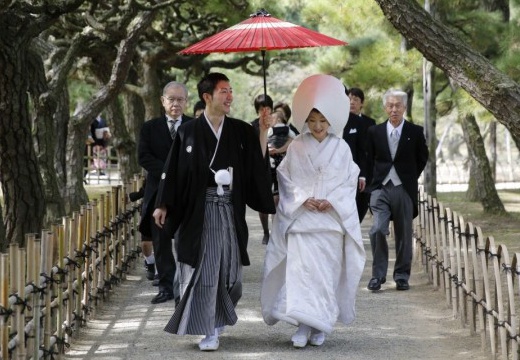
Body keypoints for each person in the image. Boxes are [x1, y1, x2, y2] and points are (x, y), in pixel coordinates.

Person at [152, 72, 275, 351]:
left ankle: (219, 315)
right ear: (207, 97)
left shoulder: (242, 130)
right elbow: (172, 172)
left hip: (230, 210)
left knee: (230, 270)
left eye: (231, 91)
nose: (230, 96)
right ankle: (208, 328)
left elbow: (254, 164)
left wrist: (264, 131)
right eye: (223, 91)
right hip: (200, 211)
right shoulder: (188, 131)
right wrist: (162, 204)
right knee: (205, 268)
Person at [261, 74, 366, 349]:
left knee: (324, 277)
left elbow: (349, 180)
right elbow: (285, 178)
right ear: (305, 121)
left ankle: (320, 326)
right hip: (302, 220)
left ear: (330, 121)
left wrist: (331, 200)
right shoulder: (296, 146)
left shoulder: (341, 148)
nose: (318, 126)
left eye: (322, 121)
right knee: (300, 275)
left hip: (330, 222)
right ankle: (302, 326)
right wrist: (304, 198)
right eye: (312, 121)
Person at [365, 89, 428, 291]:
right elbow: (369, 159)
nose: (394, 109)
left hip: (404, 188)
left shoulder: (415, 132)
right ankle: (378, 275)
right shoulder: (374, 132)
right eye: (390, 106)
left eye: (398, 105)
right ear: (385, 108)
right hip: (380, 187)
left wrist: (409, 177)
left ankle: (401, 276)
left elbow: (422, 158)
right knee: (377, 229)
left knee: (403, 233)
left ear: (404, 108)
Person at [138, 81, 193, 304]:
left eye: (180, 100)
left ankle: (187, 286)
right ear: (163, 101)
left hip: (186, 193)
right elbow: (144, 157)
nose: (176, 104)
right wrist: (168, 173)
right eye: (171, 99)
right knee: (160, 242)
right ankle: (166, 287)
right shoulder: (150, 128)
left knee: (186, 240)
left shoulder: (194, 126)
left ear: (186, 102)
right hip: (157, 193)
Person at [342, 87, 376, 222]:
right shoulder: (339, 120)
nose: (351, 102)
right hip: (342, 172)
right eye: (349, 99)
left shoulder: (369, 123)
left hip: (362, 172)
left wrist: (364, 174)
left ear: (362, 103)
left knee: (360, 206)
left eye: (355, 99)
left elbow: (367, 151)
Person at [250, 94, 274, 245]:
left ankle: (277, 230)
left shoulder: (279, 124)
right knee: (263, 199)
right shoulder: (253, 126)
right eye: (261, 109)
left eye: (267, 108)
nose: (264, 111)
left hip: (278, 166)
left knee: (278, 200)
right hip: (262, 167)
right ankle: (266, 231)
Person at [267, 110, 295, 215]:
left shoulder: (271, 130)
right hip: (283, 159)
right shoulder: (288, 129)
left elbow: (266, 139)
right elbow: (294, 138)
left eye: (272, 118)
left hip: (273, 159)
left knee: (274, 180)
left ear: (278, 119)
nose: (271, 121)